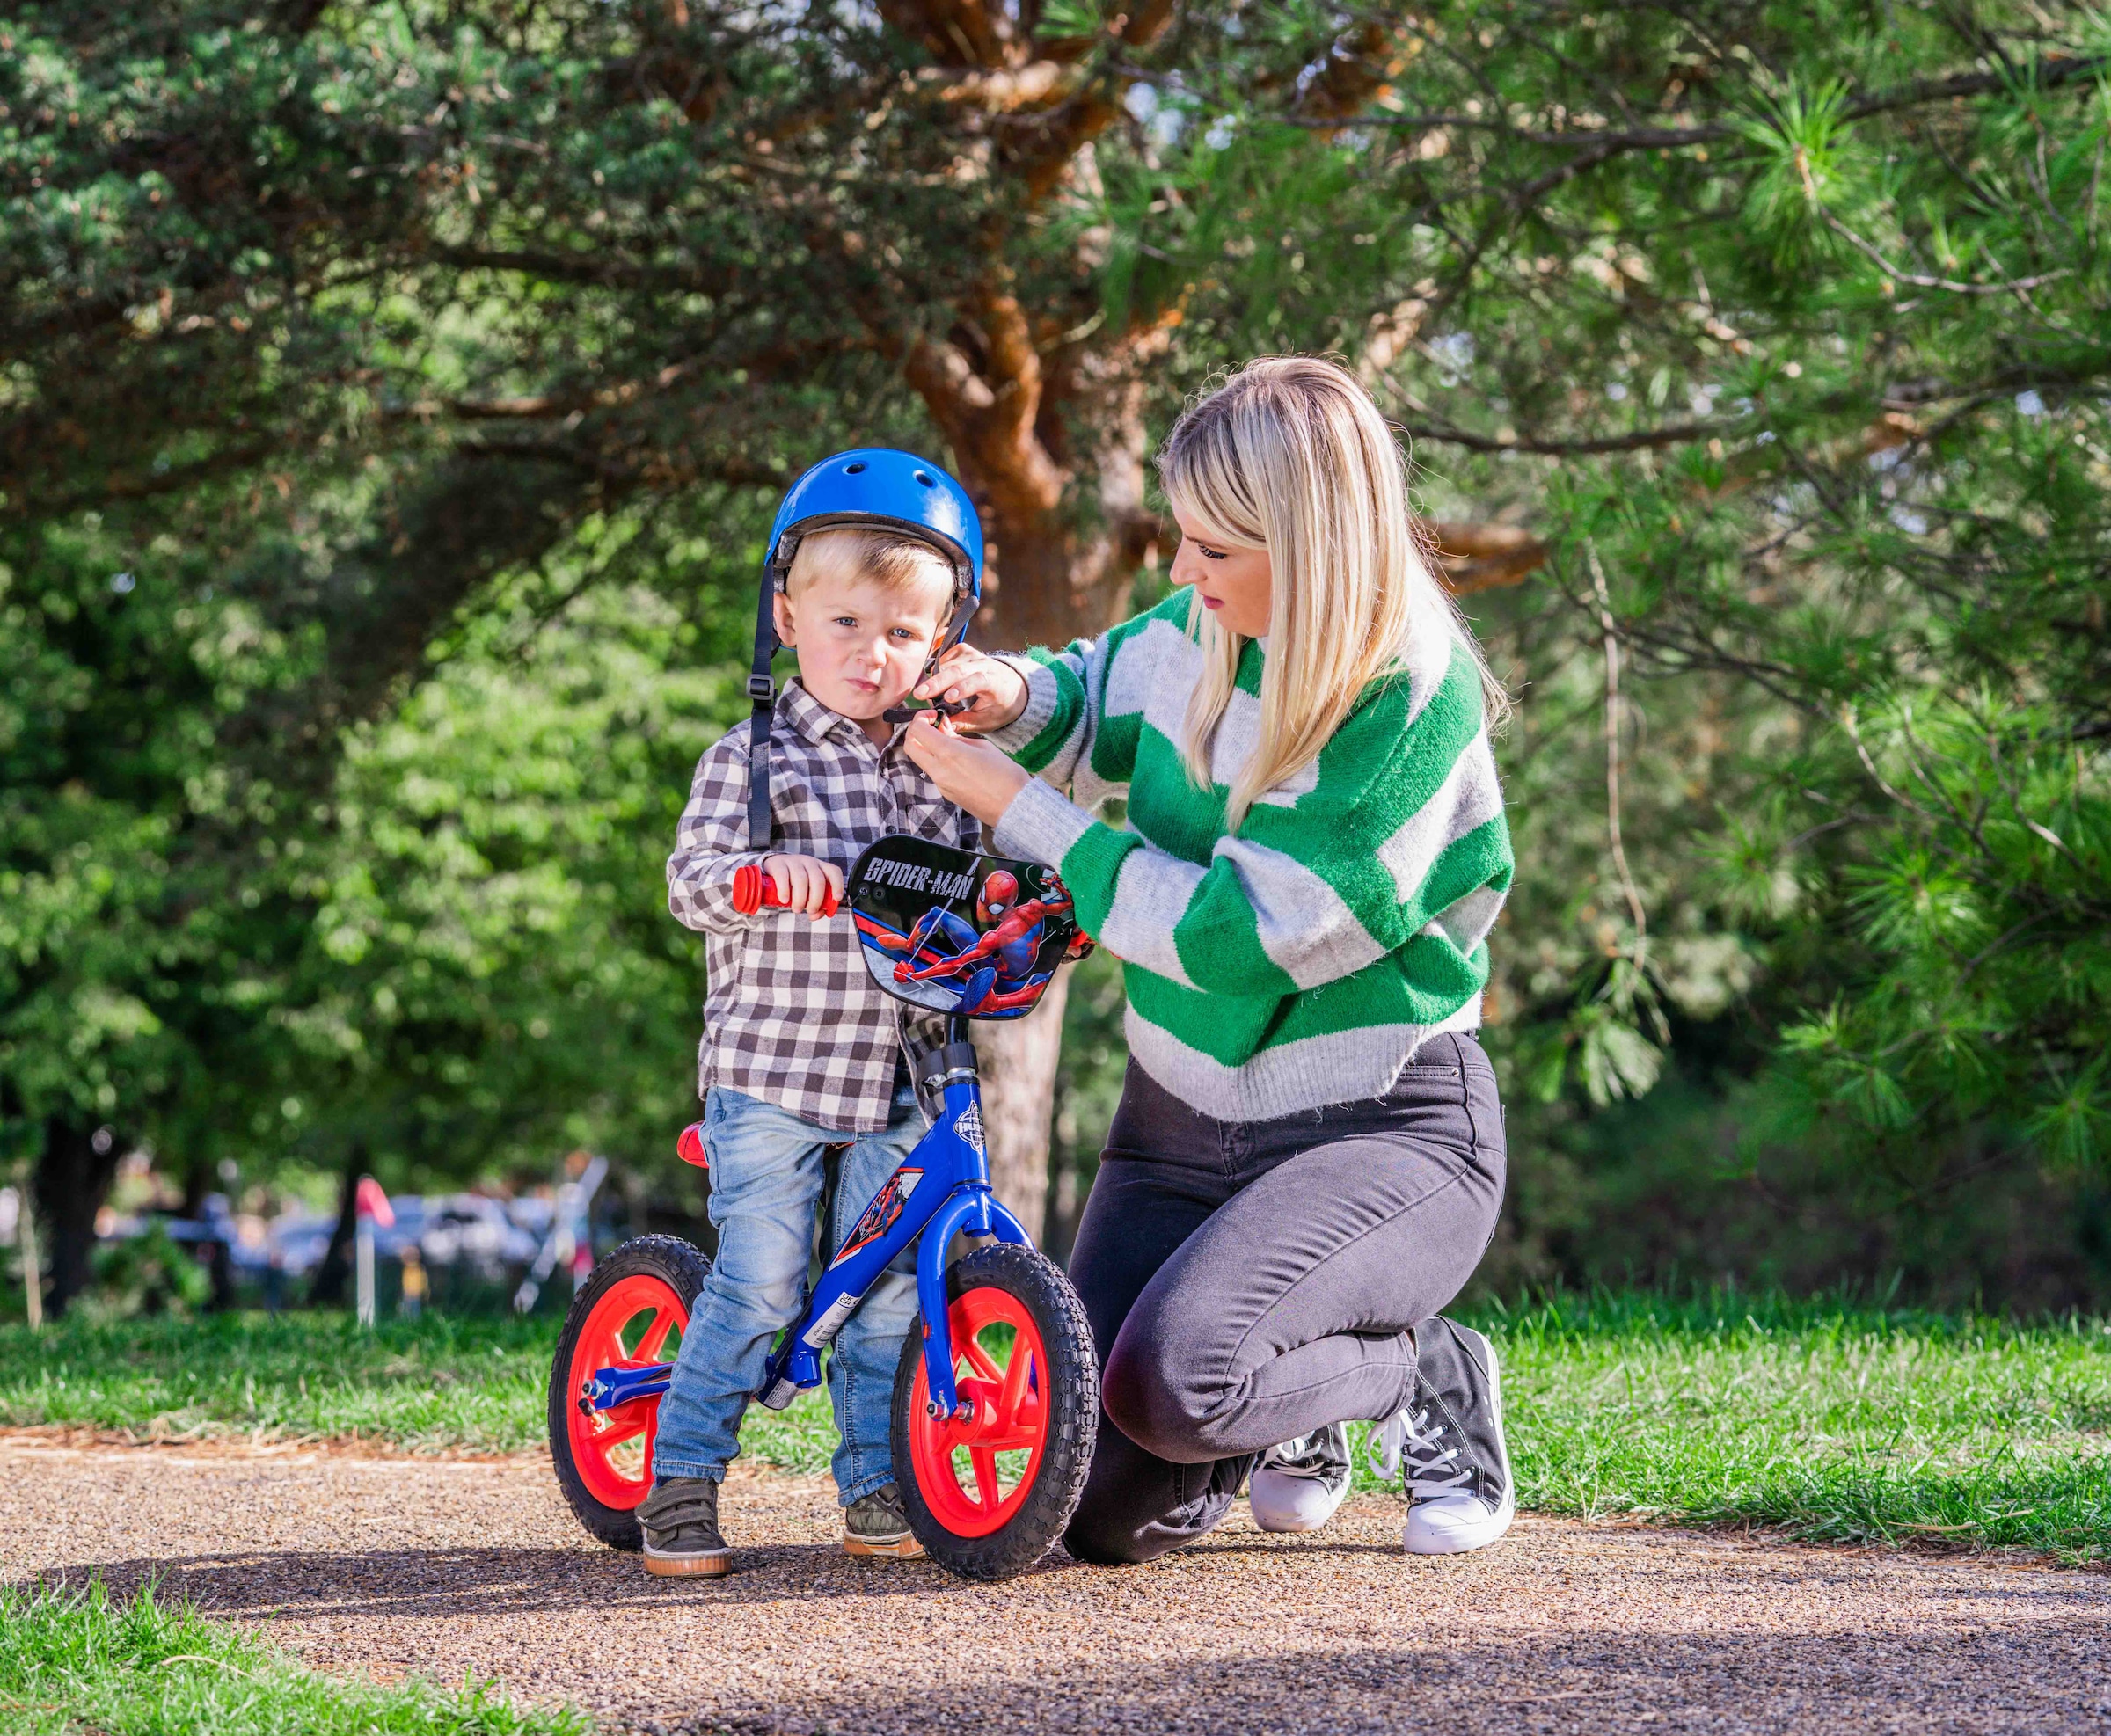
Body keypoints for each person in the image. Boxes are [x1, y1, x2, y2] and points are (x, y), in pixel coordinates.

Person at [903, 356, 1517, 1563]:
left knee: (1179, 1384)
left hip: (1381, 1128)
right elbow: (1093, 691)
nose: (1183, 573)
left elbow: (1233, 942)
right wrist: (1007, 690)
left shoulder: (1410, 705)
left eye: (1213, 549)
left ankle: (1411, 1371)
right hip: (1178, 1124)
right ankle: (1283, 1388)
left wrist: (1025, 811)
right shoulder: (1208, 624)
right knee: (1075, 1499)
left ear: (1313, 544)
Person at [639, 449, 982, 1578]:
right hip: (774, 1072)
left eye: (901, 632)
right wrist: (757, 877)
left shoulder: (945, 768)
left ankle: (874, 1485)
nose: (870, 654)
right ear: (787, 618)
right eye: (845, 623)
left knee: (884, 1287)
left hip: (904, 1071)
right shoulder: (752, 759)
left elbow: (980, 884)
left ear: (941, 640)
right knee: (764, 1279)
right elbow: (690, 883)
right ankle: (681, 1478)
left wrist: (1025, 905)